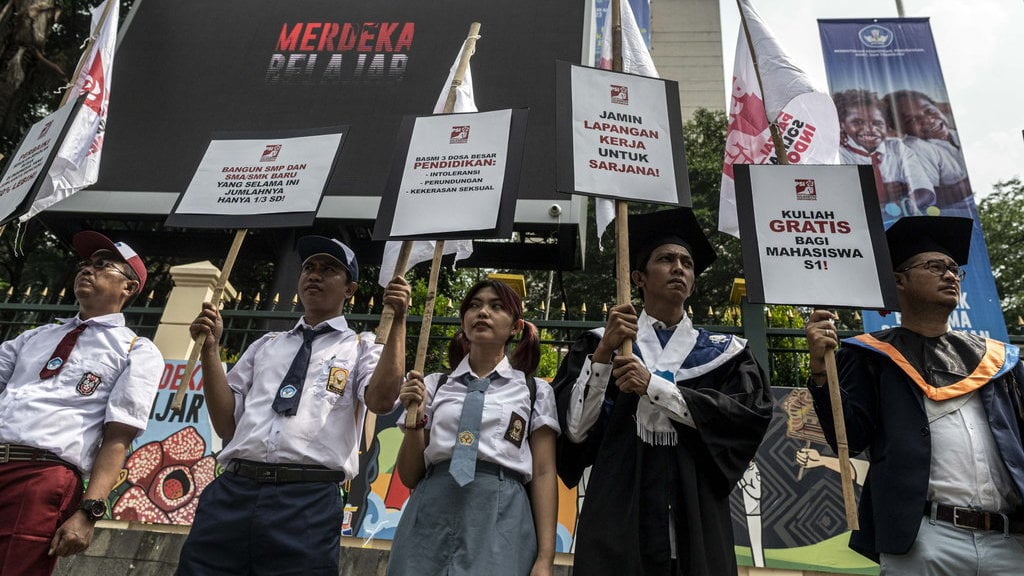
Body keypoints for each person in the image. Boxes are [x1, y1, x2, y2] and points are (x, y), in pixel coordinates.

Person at [554, 207, 773, 576]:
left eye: (687, 262)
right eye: (666, 259)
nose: (679, 268)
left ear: (694, 282)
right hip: (618, 514)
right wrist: (604, 355)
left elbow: (744, 420)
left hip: (697, 515)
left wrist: (653, 387)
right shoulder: (600, 345)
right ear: (638, 277)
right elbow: (575, 431)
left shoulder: (727, 355)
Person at [176, 236, 410, 575]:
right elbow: (226, 424)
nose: (314, 275)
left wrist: (399, 320)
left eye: (329, 269)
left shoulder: (362, 347)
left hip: (308, 499)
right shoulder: (266, 345)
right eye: (309, 268)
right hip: (235, 489)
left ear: (350, 289)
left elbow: (381, 400)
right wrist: (211, 350)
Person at [805, 216, 1024, 574]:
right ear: (898, 281)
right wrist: (819, 368)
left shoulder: (999, 360)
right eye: (935, 266)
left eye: (954, 268)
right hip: (927, 539)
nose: (950, 275)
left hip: (1010, 541)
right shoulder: (871, 356)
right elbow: (850, 437)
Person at [0, 231, 163, 575]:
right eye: (85, 264)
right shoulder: (34, 336)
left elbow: (118, 436)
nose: (87, 270)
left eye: (103, 266)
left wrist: (89, 512)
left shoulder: (136, 350)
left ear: (129, 288)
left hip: (41, 478)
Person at [387, 279, 559, 576]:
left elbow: (544, 472)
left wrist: (545, 558)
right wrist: (415, 425)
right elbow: (410, 475)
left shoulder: (534, 392)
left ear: (516, 326)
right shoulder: (433, 386)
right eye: (474, 306)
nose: (483, 312)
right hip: (431, 510)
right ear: (463, 322)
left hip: (501, 513)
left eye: (496, 306)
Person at [834, 89, 935, 221]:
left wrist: (904, 204)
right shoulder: (838, 155)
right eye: (858, 122)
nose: (869, 129)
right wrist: (880, 193)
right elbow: (844, 199)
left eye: (877, 123)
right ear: (842, 126)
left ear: (886, 127)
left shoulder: (897, 148)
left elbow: (924, 190)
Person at [882, 90, 973, 213]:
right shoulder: (916, 147)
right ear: (899, 128)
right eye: (912, 120)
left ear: (937, 107)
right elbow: (930, 195)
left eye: (930, 111)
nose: (928, 120)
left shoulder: (956, 134)